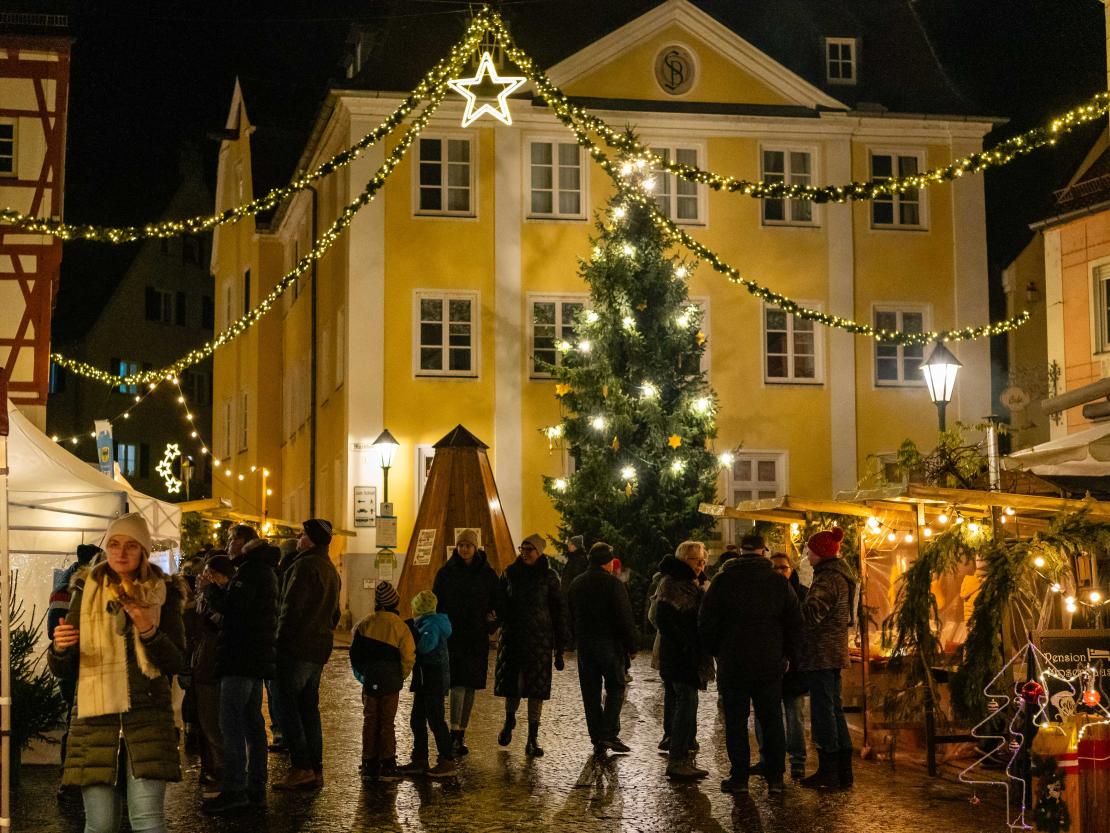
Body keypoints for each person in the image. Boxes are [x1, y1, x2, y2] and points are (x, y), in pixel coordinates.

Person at [48, 513, 187, 833]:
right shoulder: (84, 591)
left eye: (130, 545)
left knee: (148, 821)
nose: (120, 552)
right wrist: (61, 648)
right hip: (95, 721)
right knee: (99, 824)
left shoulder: (162, 593)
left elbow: (177, 661)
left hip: (147, 720)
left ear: (143, 551)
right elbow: (63, 669)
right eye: (113, 544)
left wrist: (148, 630)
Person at [699, 533, 802, 795]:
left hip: (733, 662)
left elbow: (706, 622)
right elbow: (795, 623)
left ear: (741, 552)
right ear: (763, 551)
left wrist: (717, 651)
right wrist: (788, 655)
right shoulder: (778, 582)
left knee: (735, 721)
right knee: (771, 719)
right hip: (769, 662)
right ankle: (776, 778)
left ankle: (740, 778)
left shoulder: (723, 581)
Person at [201, 538, 280, 814]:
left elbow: (235, 609)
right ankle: (255, 787)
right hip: (253, 661)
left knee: (232, 724)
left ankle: (235, 788)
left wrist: (212, 591)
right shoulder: (265, 571)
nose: (230, 543)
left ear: (246, 546)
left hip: (240, 659)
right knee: (252, 724)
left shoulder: (250, 572)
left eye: (234, 539)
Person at [271, 519, 340, 791]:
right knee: (309, 708)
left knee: (286, 705)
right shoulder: (330, 569)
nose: (298, 539)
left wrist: (279, 641)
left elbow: (291, 609)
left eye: (301, 535)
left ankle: (301, 766)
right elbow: (333, 614)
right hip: (317, 648)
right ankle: (315, 766)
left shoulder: (304, 566)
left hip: (297, 647)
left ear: (310, 539)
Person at [494, 533, 567, 757]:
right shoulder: (510, 573)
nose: (524, 553)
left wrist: (561, 645)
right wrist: (495, 620)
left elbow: (558, 610)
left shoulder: (549, 577)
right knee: (512, 685)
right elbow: (500, 602)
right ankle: (509, 721)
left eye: (529, 550)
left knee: (536, 689)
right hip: (513, 638)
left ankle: (532, 738)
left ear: (540, 552)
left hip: (539, 641)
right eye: (522, 549)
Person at [431, 528, 499, 757]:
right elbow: (436, 601)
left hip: (476, 636)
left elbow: (496, 602)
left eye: (468, 546)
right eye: (461, 545)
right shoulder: (446, 573)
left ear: (475, 547)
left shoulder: (487, 574)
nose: (464, 549)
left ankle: (461, 733)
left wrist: (492, 622)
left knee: (471, 686)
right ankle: (453, 733)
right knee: (458, 684)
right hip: (455, 636)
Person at [799, 526, 856, 790]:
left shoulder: (827, 579)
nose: (807, 556)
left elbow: (811, 616)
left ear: (821, 553)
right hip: (833, 651)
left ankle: (829, 771)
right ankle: (844, 772)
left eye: (810, 552)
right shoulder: (839, 575)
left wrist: (795, 605)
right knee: (834, 710)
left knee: (824, 711)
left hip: (822, 652)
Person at [566, 542, 637, 755]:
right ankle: (608, 733)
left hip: (586, 646)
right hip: (609, 645)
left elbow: (569, 614)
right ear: (608, 563)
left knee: (591, 693)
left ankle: (597, 736)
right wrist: (631, 645)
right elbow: (624, 617)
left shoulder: (577, 583)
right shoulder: (613, 584)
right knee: (616, 687)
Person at [656, 541, 715, 781]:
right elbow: (664, 621)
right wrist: (686, 643)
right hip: (680, 657)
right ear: (683, 560)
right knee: (685, 704)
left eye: (703, 560)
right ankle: (677, 759)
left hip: (691, 655)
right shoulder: (672, 584)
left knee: (688, 704)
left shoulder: (697, 584)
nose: (700, 565)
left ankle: (682, 756)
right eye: (695, 560)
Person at [46, 543, 102, 788]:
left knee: (75, 718)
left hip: (77, 663)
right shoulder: (71, 589)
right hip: (75, 664)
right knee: (75, 718)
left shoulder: (64, 587)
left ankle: (72, 777)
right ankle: (70, 777)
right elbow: (55, 630)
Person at [349, 580, 415, 782]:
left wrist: (364, 674)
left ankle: (369, 762)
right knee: (387, 721)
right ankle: (387, 764)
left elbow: (355, 655)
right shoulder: (400, 627)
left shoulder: (365, 623)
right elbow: (408, 655)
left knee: (370, 720)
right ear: (394, 603)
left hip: (371, 680)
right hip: (391, 680)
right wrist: (400, 675)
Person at [753, 553, 809, 780]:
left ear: (791, 569)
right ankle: (767, 758)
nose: (779, 572)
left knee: (794, 714)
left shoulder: (801, 594)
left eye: (783, 568)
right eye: (774, 568)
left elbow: (801, 631)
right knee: (764, 714)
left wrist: (793, 657)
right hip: (768, 664)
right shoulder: (761, 594)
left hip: (793, 667)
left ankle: (797, 760)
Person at [399, 590, 456, 778]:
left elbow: (425, 647)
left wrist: (414, 636)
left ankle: (446, 760)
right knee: (417, 719)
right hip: (426, 679)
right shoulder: (431, 622)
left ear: (417, 609)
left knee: (435, 719)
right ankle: (420, 759)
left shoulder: (430, 625)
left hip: (432, 678)